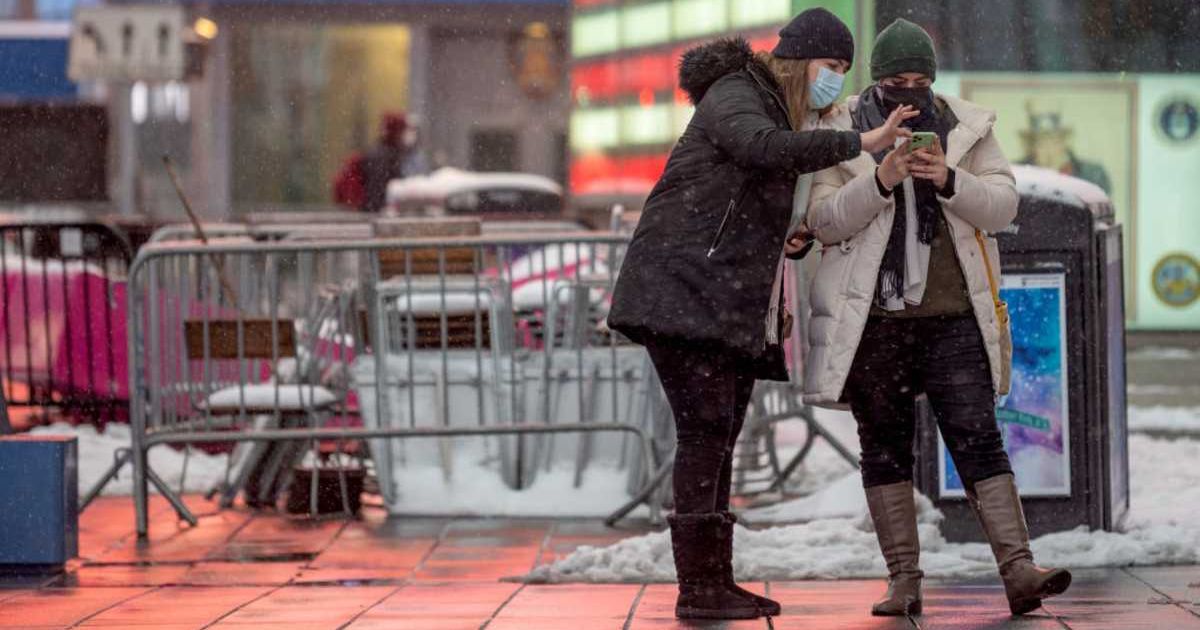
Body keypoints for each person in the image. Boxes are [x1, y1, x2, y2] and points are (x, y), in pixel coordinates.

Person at [607, 9, 913, 620]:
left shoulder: (773, 105)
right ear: (801, 60)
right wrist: (862, 141)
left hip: (715, 298)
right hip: (682, 294)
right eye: (831, 67)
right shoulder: (739, 91)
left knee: (718, 437)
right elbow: (761, 150)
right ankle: (698, 588)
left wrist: (784, 265)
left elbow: (750, 206)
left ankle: (713, 579)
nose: (834, 81)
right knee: (704, 436)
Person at [803, 18, 1072, 617]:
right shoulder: (841, 129)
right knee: (885, 447)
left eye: (921, 81)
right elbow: (822, 222)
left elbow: (1002, 207)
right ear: (877, 81)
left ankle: (1019, 569)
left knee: (978, 438)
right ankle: (903, 580)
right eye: (897, 81)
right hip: (874, 320)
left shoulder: (968, 127)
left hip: (954, 315)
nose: (910, 92)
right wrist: (881, 178)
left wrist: (949, 178)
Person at [333, 112, 413, 212]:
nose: (409, 136)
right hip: (369, 214)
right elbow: (376, 192)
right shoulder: (384, 156)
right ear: (397, 132)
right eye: (405, 131)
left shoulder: (385, 153)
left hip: (367, 211)